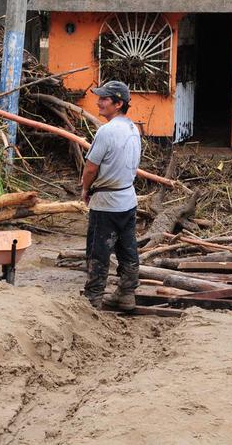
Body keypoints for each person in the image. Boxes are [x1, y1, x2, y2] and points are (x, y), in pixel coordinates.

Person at [79, 80, 142, 310]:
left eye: (104, 99)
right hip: (127, 198)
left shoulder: (106, 131)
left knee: (98, 250)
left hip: (106, 203)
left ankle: (93, 298)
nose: (99, 102)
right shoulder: (134, 129)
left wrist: (86, 188)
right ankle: (127, 294)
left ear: (118, 103)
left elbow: (91, 168)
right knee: (127, 247)